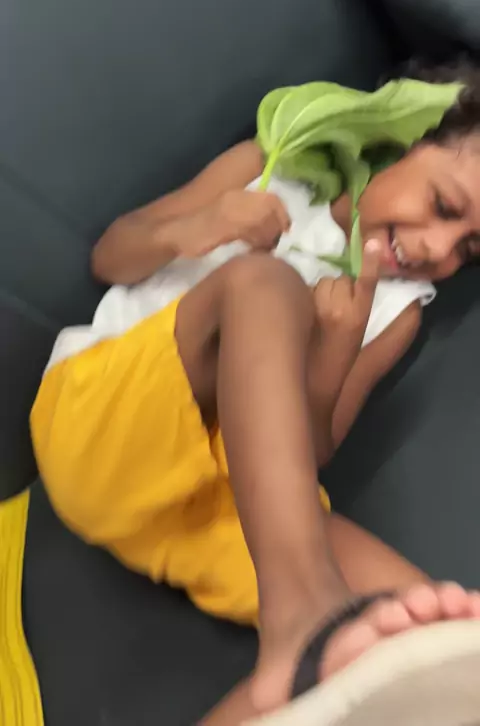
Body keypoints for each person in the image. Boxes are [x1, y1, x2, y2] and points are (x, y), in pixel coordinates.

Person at [30, 62, 480, 725]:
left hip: (211, 503)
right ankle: (304, 615)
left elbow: (312, 450)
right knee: (264, 284)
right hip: (100, 426)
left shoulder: (398, 310)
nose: (438, 247)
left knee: (432, 645)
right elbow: (112, 256)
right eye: (443, 206)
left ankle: (299, 671)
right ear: (398, 137)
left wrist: (339, 345)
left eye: (468, 249)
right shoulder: (273, 168)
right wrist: (200, 225)